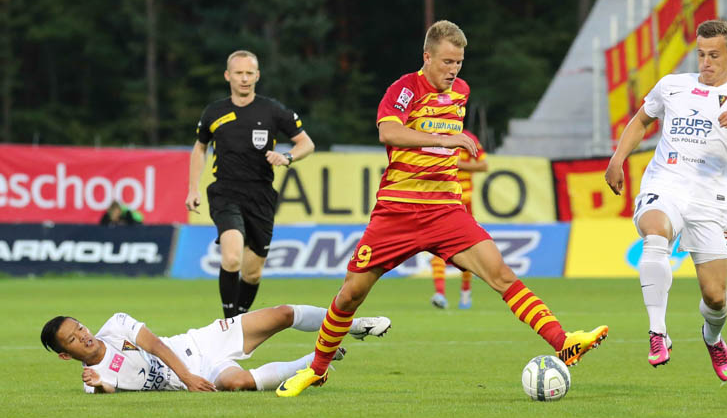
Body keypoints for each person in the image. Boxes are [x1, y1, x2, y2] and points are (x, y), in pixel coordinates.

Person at [276, 20, 608, 397]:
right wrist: (445, 139)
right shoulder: (405, 89)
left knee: (500, 273)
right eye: (447, 62)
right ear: (427, 57)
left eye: (459, 63)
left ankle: (563, 341)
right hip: (398, 212)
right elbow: (388, 132)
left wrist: (450, 147)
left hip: (445, 210)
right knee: (351, 294)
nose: (453, 71)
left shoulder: (461, 92)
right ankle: (317, 370)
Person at [604, 20, 727, 381]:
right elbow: (641, 120)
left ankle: (713, 337)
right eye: (701, 54)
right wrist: (617, 159)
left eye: (714, 55)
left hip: (711, 201)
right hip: (666, 183)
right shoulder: (672, 86)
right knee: (654, 232)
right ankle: (657, 332)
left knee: (715, 297)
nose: (706, 62)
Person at [185, 50, 315, 318]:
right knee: (232, 257)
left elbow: (306, 143)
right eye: (238, 73)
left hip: (261, 196)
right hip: (225, 192)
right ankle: (229, 324)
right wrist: (193, 188)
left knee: (252, 273)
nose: (244, 79)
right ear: (227, 76)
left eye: (249, 73)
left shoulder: (273, 110)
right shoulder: (214, 112)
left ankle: (239, 318)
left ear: (257, 75)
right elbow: (200, 148)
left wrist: (287, 157)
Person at [40, 305, 391, 393]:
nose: (83, 336)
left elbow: (156, 345)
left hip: (200, 343)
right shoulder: (92, 379)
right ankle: (315, 361)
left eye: (79, 327)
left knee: (283, 315)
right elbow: (104, 389)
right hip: (204, 372)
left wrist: (186, 377)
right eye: (72, 339)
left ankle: (355, 325)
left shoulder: (116, 324)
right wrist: (101, 387)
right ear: (65, 355)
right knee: (237, 383)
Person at [430, 129, 488, 310]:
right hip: (440, 199)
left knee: (467, 248)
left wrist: (456, 163)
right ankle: (440, 293)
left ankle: (465, 291)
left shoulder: (468, 138)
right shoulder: (432, 135)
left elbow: (483, 165)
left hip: (463, 200)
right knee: (435, 244)